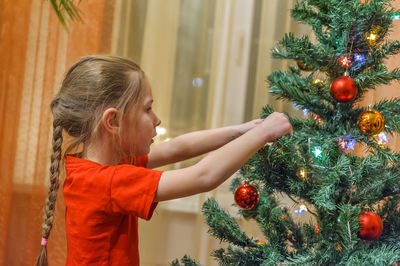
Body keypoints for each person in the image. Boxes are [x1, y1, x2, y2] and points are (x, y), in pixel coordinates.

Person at [35, 55, 292, 266]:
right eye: (147, 109)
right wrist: (263, 133)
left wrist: (242, 130)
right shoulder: (106, 182)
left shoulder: (97, 167)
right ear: (113, 121)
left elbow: (175, 148)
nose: (156, 119)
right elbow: (204, 176)